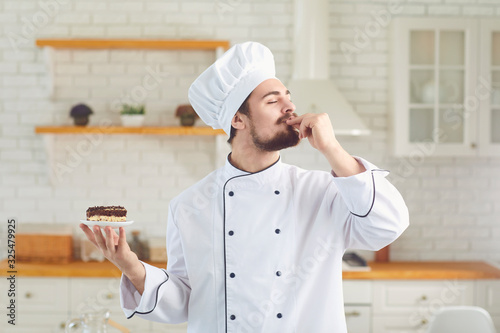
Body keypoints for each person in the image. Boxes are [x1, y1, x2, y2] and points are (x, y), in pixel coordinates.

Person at [80, 41, 409, 333]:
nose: (290, 108)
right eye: (272, 100)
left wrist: (333, 149)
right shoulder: (190, 205)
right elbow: (184, 301)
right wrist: (130, 265)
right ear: (238, 120)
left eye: (288, 98)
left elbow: (388, 225)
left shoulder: (323, 192)